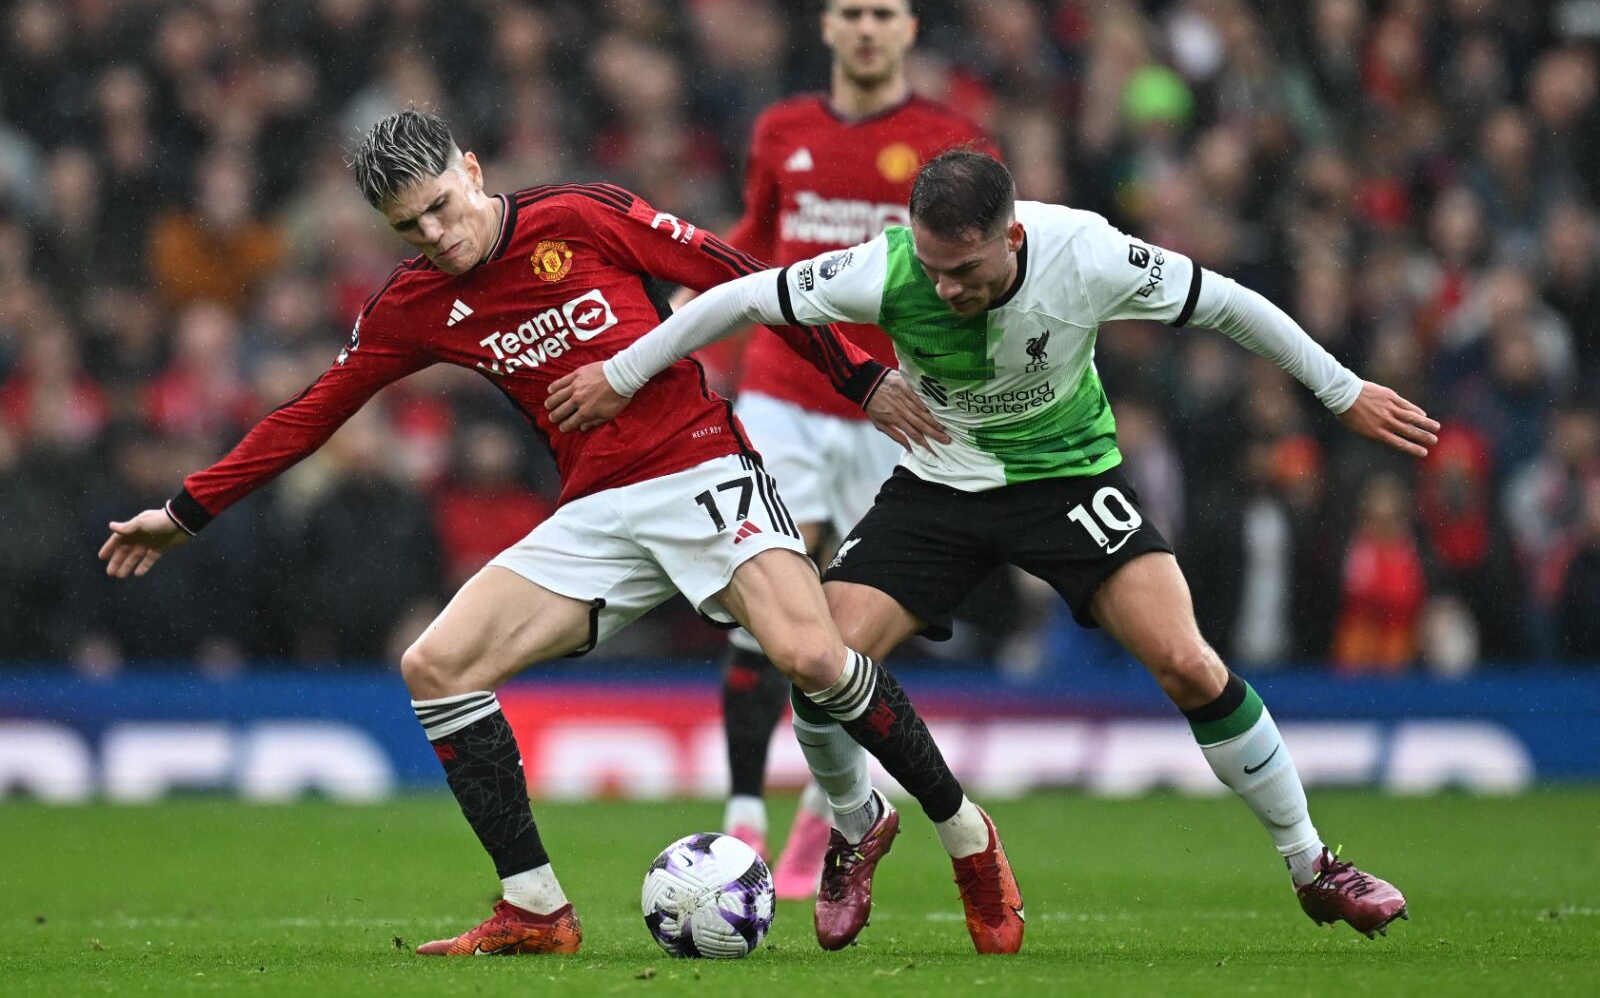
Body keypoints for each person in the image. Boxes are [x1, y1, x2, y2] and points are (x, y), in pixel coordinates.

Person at [98, 112, 1021, 957]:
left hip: (698, 463)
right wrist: (186, 511)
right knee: (437, 667)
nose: (432, 235)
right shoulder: (414, 302)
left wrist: (855, 379)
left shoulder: (580, 215)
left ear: (471, 169)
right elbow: (311, 412)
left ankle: (964, 838)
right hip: (596, 510)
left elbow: (744, 282)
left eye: (438, 208)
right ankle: (535, 906)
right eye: (406, 226)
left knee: (814, 659)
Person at [549, 150, 1436, 940]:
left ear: (1011, 236)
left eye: (963, 269)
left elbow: (1228, 304)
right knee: (817, 659)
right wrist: (624, 375)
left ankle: (1314, 866)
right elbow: (743, 296)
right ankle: (857, 825)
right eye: (930, 268)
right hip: (940, 487)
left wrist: (1342, 389)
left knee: (1188, 665)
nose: (943, 289)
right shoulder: (885, 269)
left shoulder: (1084, 254)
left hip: (1069, 481)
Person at [715, 0, 1001, 897]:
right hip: (784, 395)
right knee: (767, 598)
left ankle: (826, 807)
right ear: (830, 28)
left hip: (896, 405)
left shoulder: (951, 139)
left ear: (910, 28)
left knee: (850, 618)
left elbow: (986, 270)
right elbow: (751, 252)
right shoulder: (781, 131)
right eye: (854, 12)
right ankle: (743, 815)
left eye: (886, 11)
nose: (870, 27)